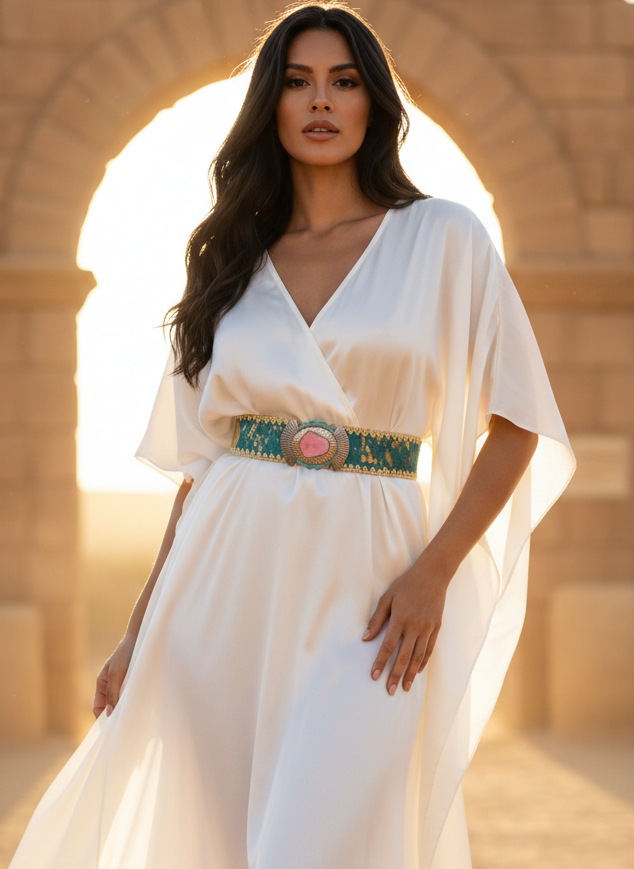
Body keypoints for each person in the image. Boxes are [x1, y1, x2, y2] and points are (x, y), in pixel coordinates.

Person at [9, 3, 575, 868]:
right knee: (219, 841)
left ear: (373, 104)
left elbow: (520, 423)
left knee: (313, 843)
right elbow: (202, 464)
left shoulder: (443, 238)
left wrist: (431, 575)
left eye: (344, 83)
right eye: (299, 82)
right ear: (270, 103)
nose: (321, 102)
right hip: (222, 580)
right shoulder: (229, 257)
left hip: (371, 587)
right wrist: (138, 627)